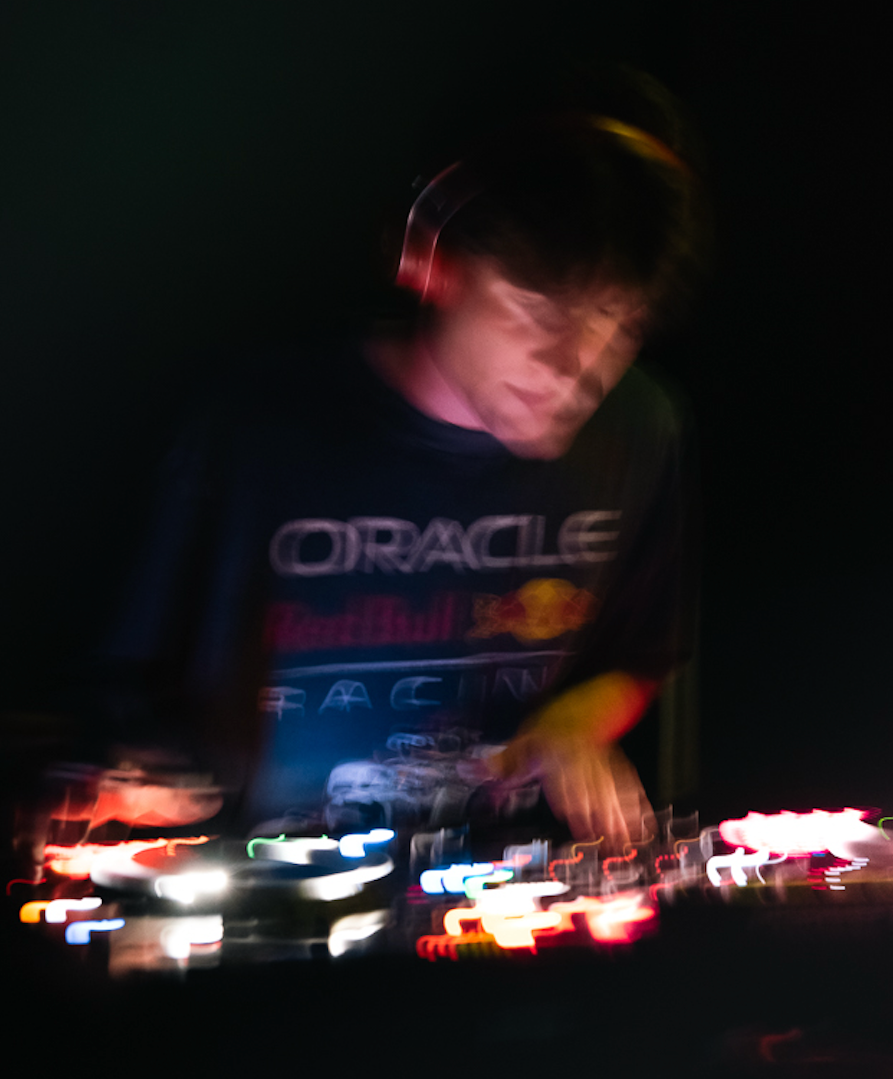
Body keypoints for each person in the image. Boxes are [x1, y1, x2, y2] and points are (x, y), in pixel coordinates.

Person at [86, 62, 708, 855]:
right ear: (431, 259)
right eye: (535, 306)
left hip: (501, 911)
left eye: (614, 320)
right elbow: (125, 691)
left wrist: (573, 724)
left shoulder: (643, 433)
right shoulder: (251, 429)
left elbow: (638, 654)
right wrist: (142, 775)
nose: (574, 364)